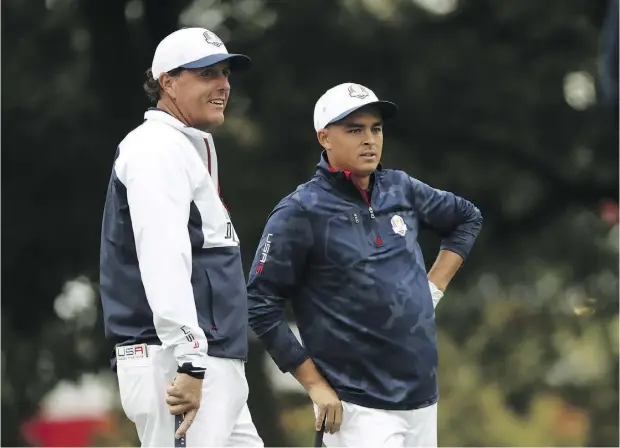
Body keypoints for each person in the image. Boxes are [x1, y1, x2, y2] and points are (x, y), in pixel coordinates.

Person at [246, 82, 483, 447]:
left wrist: (432, 288)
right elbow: (260, 303)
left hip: (422, 399)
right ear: (324, 138)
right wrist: (314, 385)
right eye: (355, 130)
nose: (369, 139)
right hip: (355, 406)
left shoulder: (400, 188)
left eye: (376, 128)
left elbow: (467, 218)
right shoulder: (300, 211)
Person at [99, 27, 263, 447]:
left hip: (211, 361)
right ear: (167, 81)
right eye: (207, 74)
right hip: (176, 363)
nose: (224, 84)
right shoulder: (155, 148)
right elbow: (163, 256)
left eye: (225, 73)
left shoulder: (182, 146)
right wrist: (191, 361)